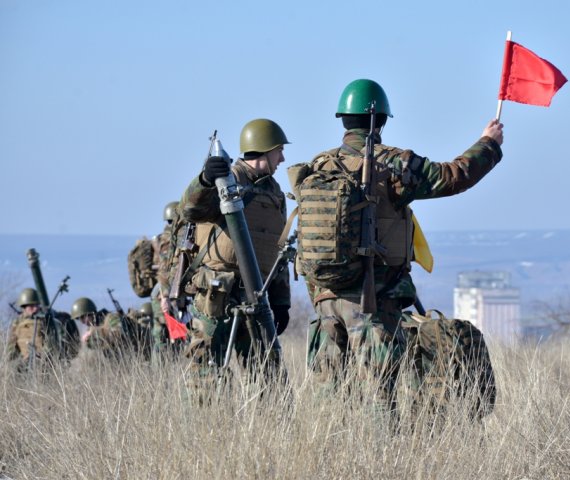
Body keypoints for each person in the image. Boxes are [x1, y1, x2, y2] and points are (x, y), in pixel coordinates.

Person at [298, 79, 504, 410]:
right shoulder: (393, 163)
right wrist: (488, 145)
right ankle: (383, 462)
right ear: (380, 121)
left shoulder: (318, 165)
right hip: (373, 305)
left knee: (331, 406)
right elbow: (452, 176)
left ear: (343, 120)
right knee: (381, 400)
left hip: (326, 304)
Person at [179, 118, 292, 394]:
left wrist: (282, 300)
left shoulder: (275, 193)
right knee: (205, 373)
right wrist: (205, 180)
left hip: (258, 295)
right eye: (278, 150)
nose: (283, 157)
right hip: (217, 295)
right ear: (264, 149)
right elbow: (189, 209)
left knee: (270, 376)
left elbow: (278, 248)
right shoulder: (226, 179)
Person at [150, 201, 181, 354]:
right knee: (162, 333)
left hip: (169, 290)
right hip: (166, 291)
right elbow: (165, 269)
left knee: (163, 333)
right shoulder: (170, 238)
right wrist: (165, 296)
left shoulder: (169, 236)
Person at [5, 288, 59, 371]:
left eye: (36, 305)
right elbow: (11, 347)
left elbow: (51, 343)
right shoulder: (17, 323)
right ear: (24, 307)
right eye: (30, 306)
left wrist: (42, 357)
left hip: (43, 362)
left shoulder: (45, 320)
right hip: (24, 362)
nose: (34, 308)